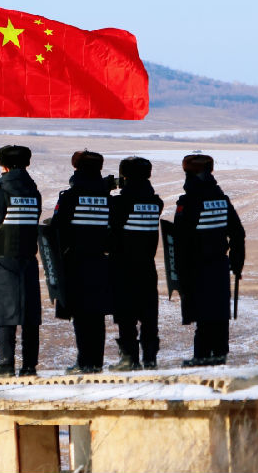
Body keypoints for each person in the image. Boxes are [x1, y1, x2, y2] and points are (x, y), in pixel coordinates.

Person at [0, 145, 43, 378]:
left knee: (6, 313)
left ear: (3, 166)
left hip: (2, 261)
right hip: (28, 260)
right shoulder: (34, 194)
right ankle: (29, 366)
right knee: (29, 314)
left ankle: (6, 364)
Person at [173, 153, 245, 367]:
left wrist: (181, 275)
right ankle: (219, 356)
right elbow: (238, 233)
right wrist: (236, 263)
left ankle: (202, 358)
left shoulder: (188, 202)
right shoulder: (222, 200)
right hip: (220, 265)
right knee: (220, 313)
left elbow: (180, 243)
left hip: (198, 267)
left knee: (203, 315)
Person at [49, 150, 113, 374]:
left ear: (76, 168)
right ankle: (96, 362)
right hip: (101, 262)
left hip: (76, 263)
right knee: (97, 315)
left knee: (81, 314)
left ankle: (84, 362)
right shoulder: (108, 199)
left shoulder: (70, 197)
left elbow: (57, 229)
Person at [108, 157, 164, 370]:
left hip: (124, 267)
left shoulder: (120, 203)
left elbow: (110, 233)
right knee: (149, 314)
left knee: (126, 315)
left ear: (125, 177)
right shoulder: (156, 203)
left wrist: (105, 189)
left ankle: (129, 358)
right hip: (148, 266)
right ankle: (150, 358)